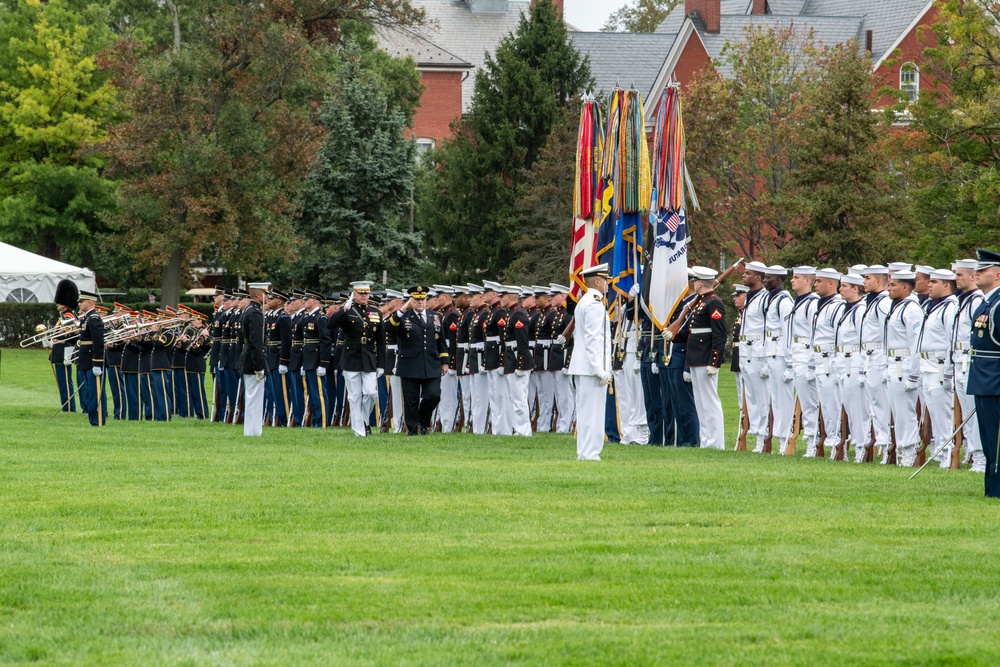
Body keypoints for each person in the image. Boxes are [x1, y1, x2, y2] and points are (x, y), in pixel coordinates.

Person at [387, 286, 448, 435]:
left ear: (426, 300)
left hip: (431, 364)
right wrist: (402, 309)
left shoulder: (436, 317)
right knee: (411, 400)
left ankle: (424, 422)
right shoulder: (403, 316)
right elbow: (388, 328)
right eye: (416, 300)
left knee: (433, 395)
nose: (420, 302)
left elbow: (441, 341)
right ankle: (413, 430)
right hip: (410, 365)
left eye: (423, 299)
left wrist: (445, 361)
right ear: (411, 300)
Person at [327, 280, 385, 437]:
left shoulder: (376, 312)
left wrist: (381, 364)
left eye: (366, 293)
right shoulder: (347, 311)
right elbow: (330, 324)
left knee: (371, 393)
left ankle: (364, 420)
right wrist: (344, 307)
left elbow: (380, 341)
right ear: (354, 294)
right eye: (361, 294)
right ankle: (359, 430)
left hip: (369, 357)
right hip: (351, 356)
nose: (364, 296)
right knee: (354, 396)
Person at [568, 264, 612, 461]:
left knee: (586, 411)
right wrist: (599, 369)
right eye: (606, 281)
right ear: (597, 282)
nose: (608, 285)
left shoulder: (585, 301)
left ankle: (585, 452)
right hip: (590, 368)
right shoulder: (594, 304)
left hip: (584, 366)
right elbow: (594, 340)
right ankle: (590, 452)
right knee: (592, 412)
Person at [968, 249, 1000, 497]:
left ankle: (996, 490)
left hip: (995, 380)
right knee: (989, 439)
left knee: (996, 440)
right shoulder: (987, 301)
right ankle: (991, 489)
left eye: (982, 270)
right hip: (984, 379)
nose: (975, 274)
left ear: (997, 274)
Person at [884, 270, 924, 466]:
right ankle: (903, 449)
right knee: (898, 412)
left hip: (905, 365)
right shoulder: (897, 307)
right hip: (894, 363)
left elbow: (916, 344)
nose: (889, 288)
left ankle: (909, 452)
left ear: (906, 287)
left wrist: (914, 375)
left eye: (893, 285)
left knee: (906, 412)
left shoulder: (911, 309)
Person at [686, 266, 727, 450]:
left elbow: (719, 335)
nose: (693, 284)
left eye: (695, 281)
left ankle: (716, 442)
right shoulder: (701, 302)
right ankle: (706, 440)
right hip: (696, 357)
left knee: (710, 401)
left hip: (705, 358)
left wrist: (714, 361)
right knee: (701, 402)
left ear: (700, 282)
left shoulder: (713, 303)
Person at [952, 258, 986, 472]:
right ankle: (974, 454)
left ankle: (981, 458)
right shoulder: (961, 300)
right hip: (958, 359)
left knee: (975, 412)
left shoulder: (976, 301)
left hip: (969, 359)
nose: (955, 278)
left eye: (959, 275)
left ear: (973, 276)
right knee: (966, 414)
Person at [809, 269, 845, 460]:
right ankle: (830, 438)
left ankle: (837, 442)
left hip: (829, 358)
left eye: (819, 281)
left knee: (834, 404)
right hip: (818, 358)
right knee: (825, 404)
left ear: (831, 284)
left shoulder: (836, 306)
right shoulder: (820, 304)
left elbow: (839, 336)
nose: (815, 284)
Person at [860, 266, 893, 463]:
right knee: (874, 403)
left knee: (881, 403)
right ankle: (882, 444)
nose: (864, 281)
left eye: (867, 278)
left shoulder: (883, 303)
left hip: (879, 354)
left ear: (879, 282)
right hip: (869, 355)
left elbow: (887, 332)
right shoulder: (870, 301)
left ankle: (887, 445)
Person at [835, 274, 868, 462]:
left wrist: (863, 367)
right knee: (848, 405)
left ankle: (862, 446)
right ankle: (856, 444)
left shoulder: (860, 310)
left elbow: (863, 340)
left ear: (856, 288)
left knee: (858, 408)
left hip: (854, 359)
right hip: (842, 360)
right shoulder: (843, 309)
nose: (840, 289)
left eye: (845, 286)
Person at [787, 267, 819, 456]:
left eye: (797, 278)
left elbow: (815, 333)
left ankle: (814, 442)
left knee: (811, 401)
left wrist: (810, 362)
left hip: (807, 353)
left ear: (808, 281)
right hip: (797, 351)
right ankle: (811, 440)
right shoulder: (798, 302)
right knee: (806, 402)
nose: (792, 281)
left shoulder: (812, 303)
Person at [763, 265, 794, 454]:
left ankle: (786, 439)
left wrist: (790, 362)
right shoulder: (771, 299)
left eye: (769, 278)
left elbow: (787, 331)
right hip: (772, 354)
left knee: (784, 399)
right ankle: (779, 438)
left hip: (782, 355)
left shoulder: (784, 301)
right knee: (775, 399)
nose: (765, 280)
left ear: (779, 279)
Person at [740, 261, 770, 452]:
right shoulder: (749, 297)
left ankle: (763, 438)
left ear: (758, 277)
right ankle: (756, 433)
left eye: (748, 273)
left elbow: (769, 328)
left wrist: (767, 359)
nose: (743, 276)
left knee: (762, 397)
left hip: (759, 352)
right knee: (751, 397)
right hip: (746, 351)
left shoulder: (765, 298)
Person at [503, 287, 535, 437]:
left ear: (510, 297)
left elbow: (522, 342)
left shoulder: (518, 315)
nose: (500, 298)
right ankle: (518, 428)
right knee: (515, 397)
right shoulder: (513, 313)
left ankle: (523, 430)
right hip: (512, 358)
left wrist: (521, 364)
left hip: (518, 359)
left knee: (519, 397)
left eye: (503, 296)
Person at [240, 284, 269, 436]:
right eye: (266, 294)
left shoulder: (248, 310)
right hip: (253, 359)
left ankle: (250, 431)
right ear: (258, 295)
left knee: (251, 396)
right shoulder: (256, 313)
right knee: (254, 398)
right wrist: (259, 366)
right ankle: (253, 431)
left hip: (247, 356)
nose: (268, 298)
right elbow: (256, 342)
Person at [301, 289, 331, 428]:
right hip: (309, 359)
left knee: (319, 394)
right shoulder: (307, 317)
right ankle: (316, 421)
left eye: (307, 300)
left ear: (314, 301)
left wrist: (323, 363)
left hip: (317, 360)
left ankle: (322, 422)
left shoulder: (321, 318)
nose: (304, 302)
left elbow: (325, 342)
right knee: (313, 394)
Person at [76, 290, 106, 427]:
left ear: (90, 302)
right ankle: (93, 419)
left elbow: (98, 342)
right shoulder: (87, 317)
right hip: (85, 359)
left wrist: (97, 363)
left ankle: (98, 420)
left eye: (81, 301)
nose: (79, 304)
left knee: (95, 392)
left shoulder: (93, 318)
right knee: (89, 391)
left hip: (92, 360)